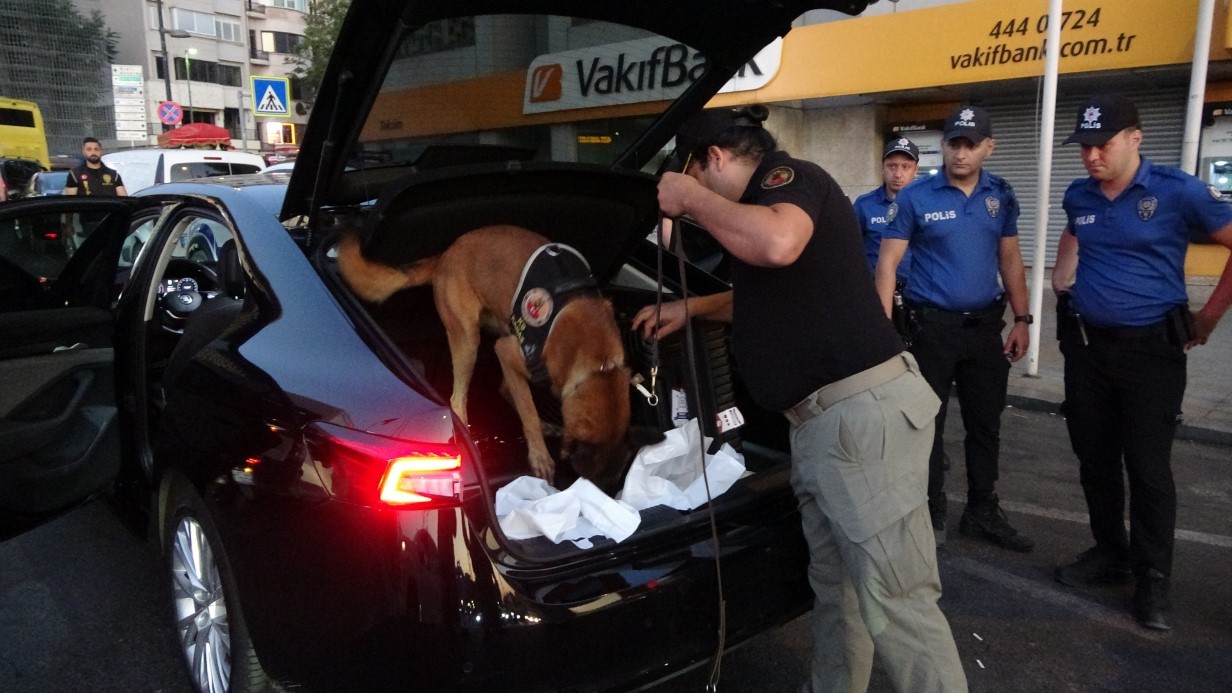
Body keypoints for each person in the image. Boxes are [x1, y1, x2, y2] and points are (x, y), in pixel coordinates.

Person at [633, 105, 967, 693]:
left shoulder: (789, 181)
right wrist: (691, 307)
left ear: (711, 159)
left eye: (696, 176)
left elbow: (780, 244)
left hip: (859, 419)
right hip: (821, 427)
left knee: (897, 599)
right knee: (839, 593)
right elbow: (762, 292)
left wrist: (691, 201)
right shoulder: (757, 217)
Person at [1051, 94, 1232, 631]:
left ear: (1135, 137)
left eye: (1100, 145)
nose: (1089, 157)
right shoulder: (1079, 194)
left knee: (1148, 468)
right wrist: (1064, 277)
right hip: (1088, 349)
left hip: (1151, 353)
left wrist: (1210, 317)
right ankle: (1111, 551)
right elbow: (1075, 229)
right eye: (1083, 147)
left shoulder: (1179, 192)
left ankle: (1153, 579)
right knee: (1094, 458)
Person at [875, 105, 1034, 552]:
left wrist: (1022, 320)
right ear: (942, 146)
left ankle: (982, 510)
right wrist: (884, 331)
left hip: (985, 330)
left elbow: (1010, 260)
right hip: (932, 331)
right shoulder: (915, 196)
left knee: (986, 425)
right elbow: (886, 265)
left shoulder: (1000, 195)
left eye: (970, 144)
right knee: (928, 425)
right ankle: (930, 508)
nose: (960, 153)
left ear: (989, 147)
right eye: (953, 143)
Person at [853, 137, 919, 284]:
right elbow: (849, 248)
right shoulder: (864, 205)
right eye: (892, 166)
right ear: (882, 168)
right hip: (875, 286)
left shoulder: (926, 204)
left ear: (916, 170)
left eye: (905, 167)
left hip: (916, 290)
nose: (898, 174)